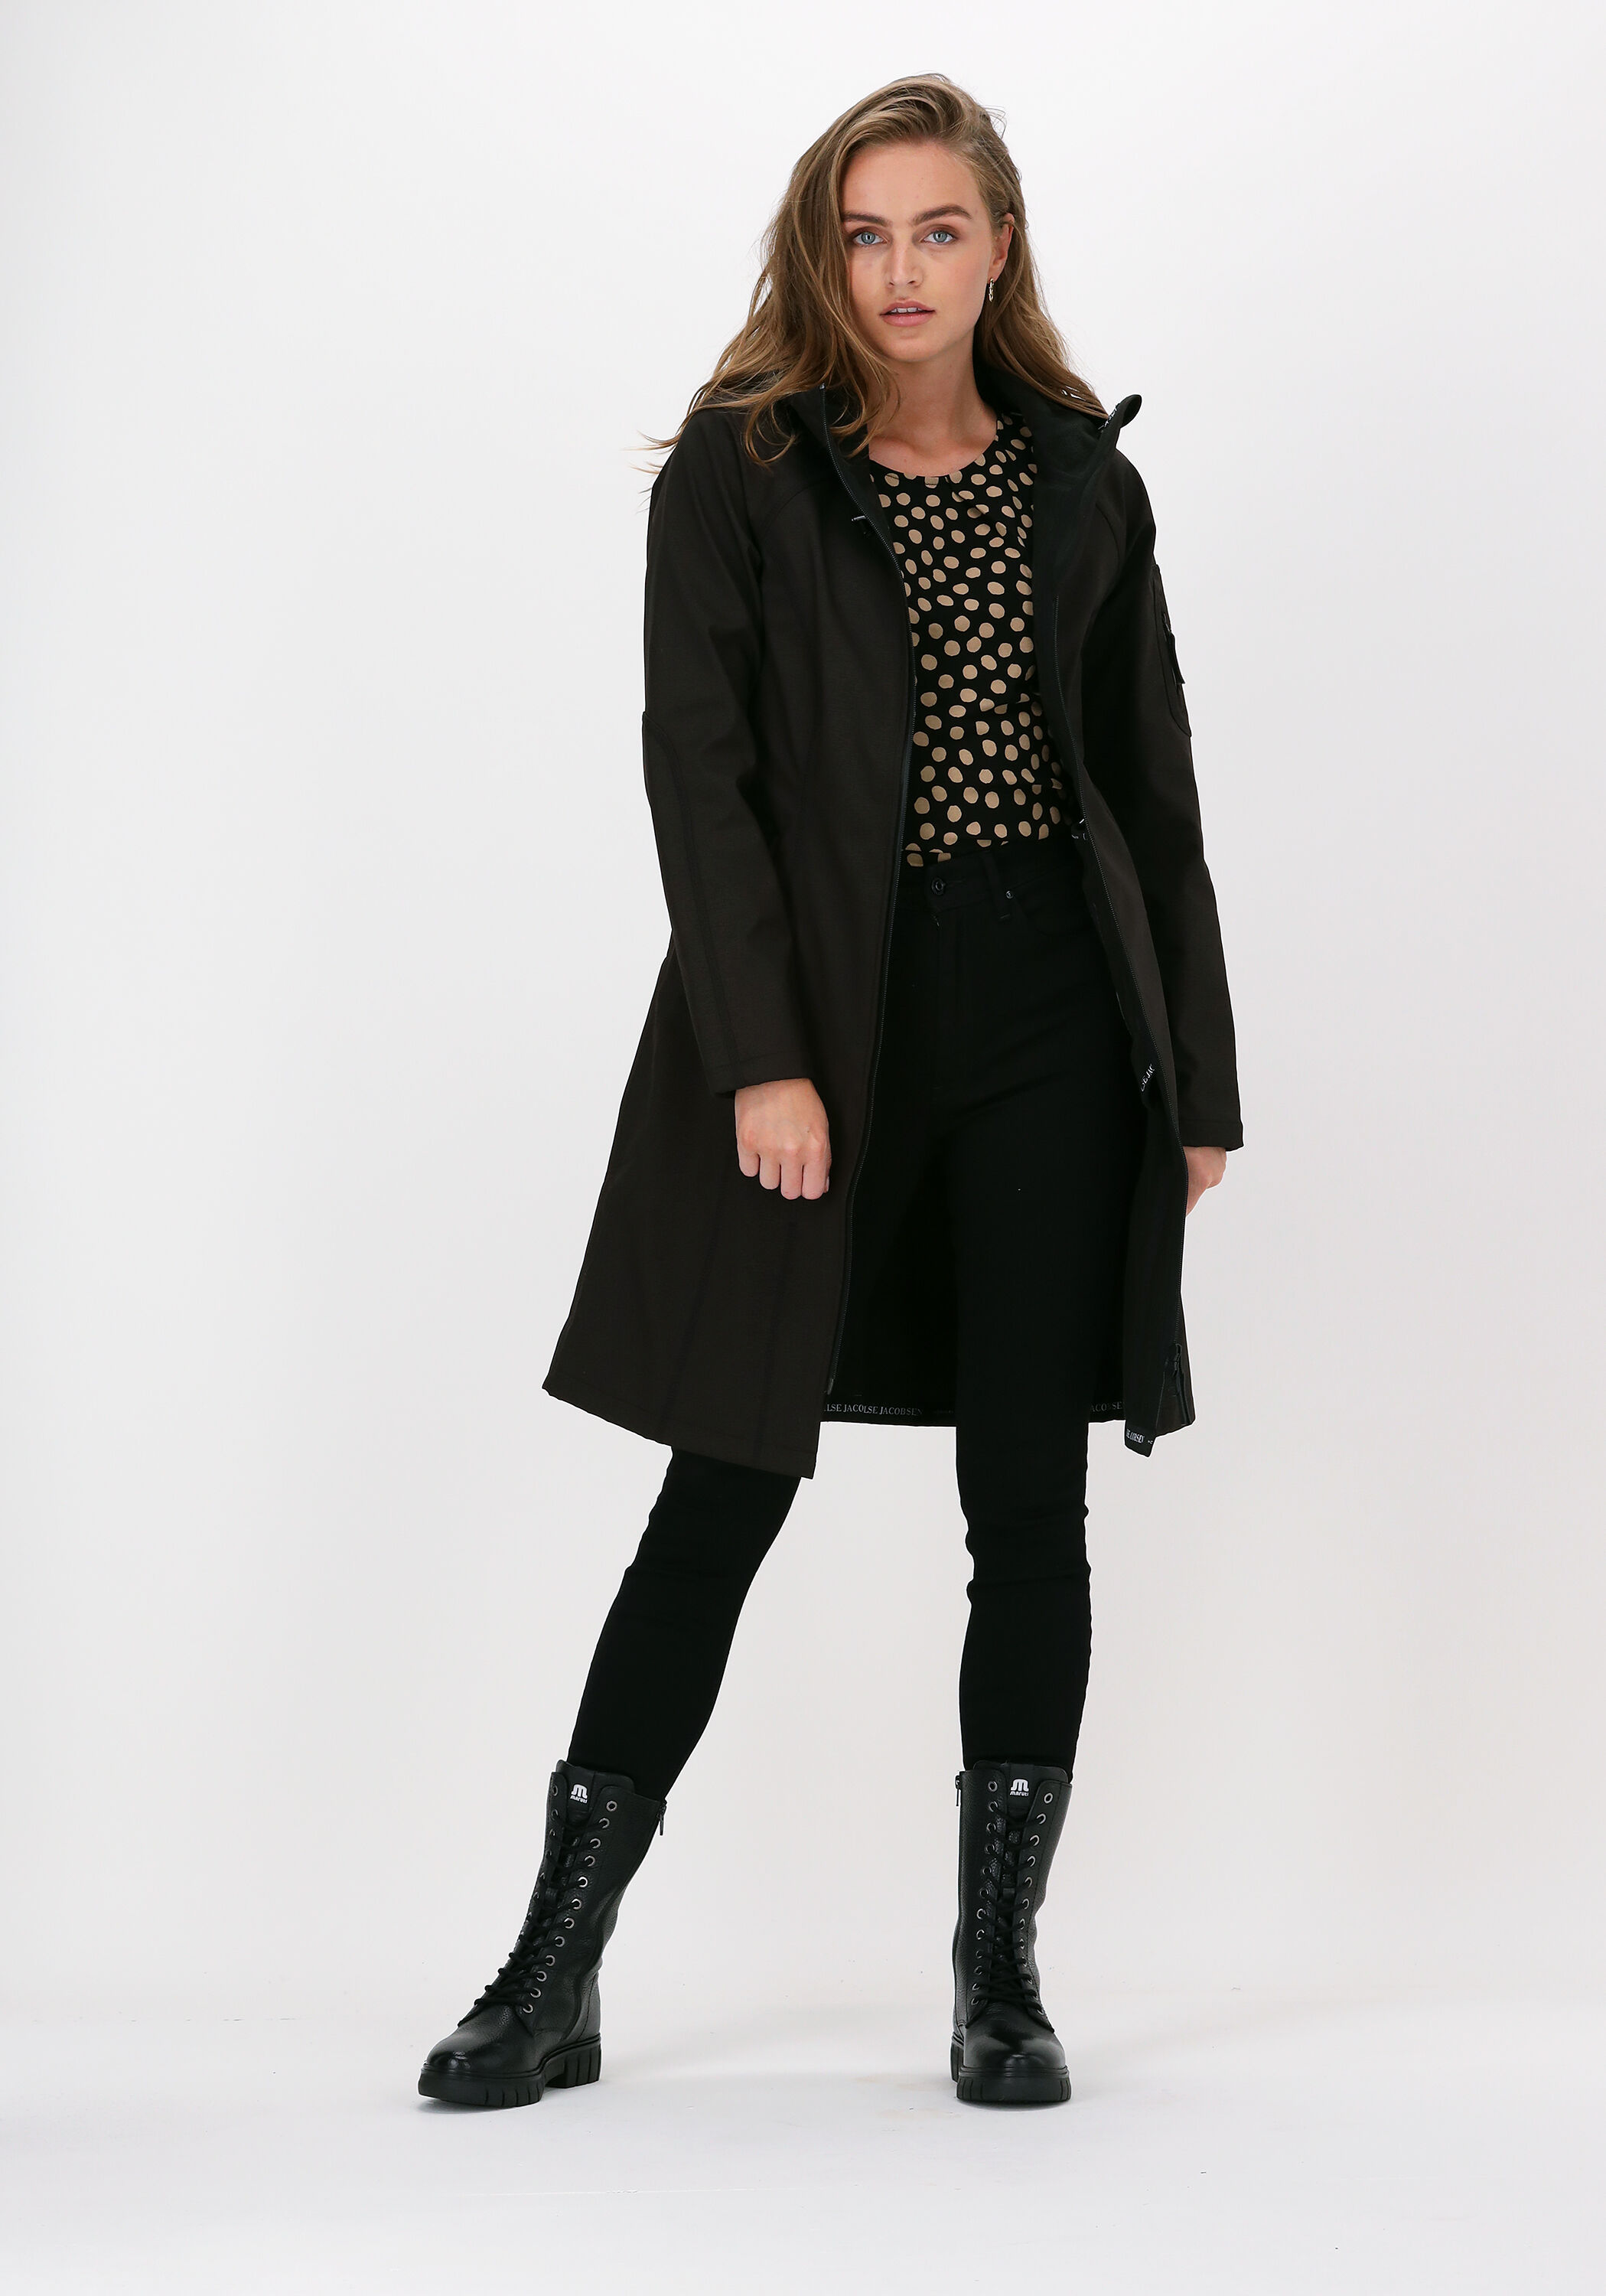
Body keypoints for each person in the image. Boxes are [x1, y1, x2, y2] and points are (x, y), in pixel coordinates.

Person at [419, 73, 1242, 2112]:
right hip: (828, 1019)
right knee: (722, 1481)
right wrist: (763, 1056)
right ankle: (550, 1969)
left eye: (938, 229)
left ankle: (997, 1981)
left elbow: (1150, 784)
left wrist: (1197, 1083)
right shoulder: (743, 470)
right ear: (822, 250)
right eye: (864, 234)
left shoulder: (1080, 478)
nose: (899, 271)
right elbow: (698, 779)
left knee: (1028, 1501)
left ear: (999, 244)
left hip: (1055, 1013)